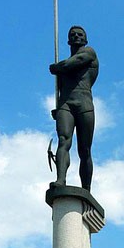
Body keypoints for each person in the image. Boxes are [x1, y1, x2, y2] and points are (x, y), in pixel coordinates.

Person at [49, 26, 99, 191]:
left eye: (80, 34)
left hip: (84, 104)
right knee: (64, 140)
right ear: (68, 40)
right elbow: (62, 87)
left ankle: (86, 188)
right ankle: (60, 179)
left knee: (84, 150)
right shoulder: (62, 67)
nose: (77, 36)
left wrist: (57, 68)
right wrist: (58, 109)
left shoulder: (89, 53)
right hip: (66, 105)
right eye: (73, 35)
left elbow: (73, 63)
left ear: (85, 39)